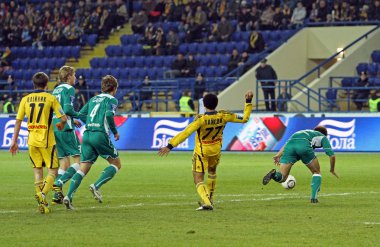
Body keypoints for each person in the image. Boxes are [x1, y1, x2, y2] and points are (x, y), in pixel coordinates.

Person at [158, 91, 254, 211]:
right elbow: (245, 118)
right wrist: (248, 102)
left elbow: (186, 133)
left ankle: (207, 202)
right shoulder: (224, 115)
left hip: (202, 152)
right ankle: (210, 198)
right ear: (216, 104)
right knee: (212, 172)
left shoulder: (201, 120)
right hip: (216, 150)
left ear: (204, 105)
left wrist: (170, 145)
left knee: (198, 178)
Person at [9, 72, 67, 214]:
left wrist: (14, 141)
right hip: (47, 141)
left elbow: (18, 121)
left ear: (33, 84)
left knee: (37, 170)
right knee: (53, 169)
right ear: (46, 85)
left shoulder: (25, 99)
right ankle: (42, 195)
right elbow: (64, 118)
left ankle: (42, 204)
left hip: (32, 141)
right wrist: (60, 125)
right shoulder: (51, 98)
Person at [62, 75, 122, 210]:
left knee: (83, 168)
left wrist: (89, 119)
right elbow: (108, 115)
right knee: (116, 164)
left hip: (87, 135)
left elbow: (79, 114)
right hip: (100, 134)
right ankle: (96, 185)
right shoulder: (112, 99)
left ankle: (68, 196)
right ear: (114, 88)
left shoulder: (93, 99)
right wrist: (115, 131)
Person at [262, 126, 338, 203]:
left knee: (283, 178)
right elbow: (332, 156)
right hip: (303, 146)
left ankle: (274, 175)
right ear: (325, 134)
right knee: (316, 172)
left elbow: (287, 143)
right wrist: (332, 169)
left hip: (289, 147)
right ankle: (313, 198)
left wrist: (278, 155)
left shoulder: (302, 132)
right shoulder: (322, 137)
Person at [51, 66, 83, 205]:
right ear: (69, 76)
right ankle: (58, 182)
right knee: (80, 161)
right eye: (74, 75)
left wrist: (71, 118)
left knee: (64, 162)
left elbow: (60, 110)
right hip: (65, 128)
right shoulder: (69, 89)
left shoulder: (56, 89)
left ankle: (57, 195)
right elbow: (68, 109)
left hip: (56, 127)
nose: (75, 78)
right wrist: (80, 115)